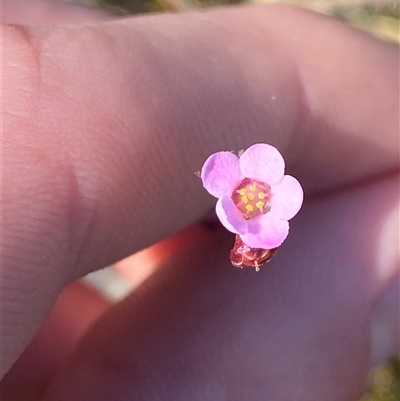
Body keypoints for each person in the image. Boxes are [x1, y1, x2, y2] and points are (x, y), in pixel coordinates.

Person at [1, 1, 399, 400]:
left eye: (256, 196)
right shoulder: (229, 188)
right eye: (248, 195)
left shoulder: (263, 200)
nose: (254, 197)